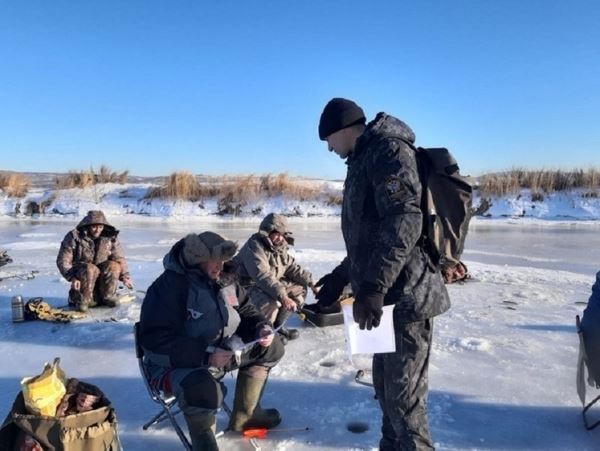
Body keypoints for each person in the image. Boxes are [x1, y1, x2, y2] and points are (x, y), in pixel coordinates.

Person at [316, 98, 451, 450]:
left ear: (344, 129)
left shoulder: (388, 152)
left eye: (328, 140)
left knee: (405, 406)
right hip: (383, 303)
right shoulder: (363, 158)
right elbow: (370, 236)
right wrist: (340, 277)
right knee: (387, 398)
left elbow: (405, 220)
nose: (329, 149)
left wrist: (374, 286)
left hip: (406, 299)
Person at [138, 231, 284, 451]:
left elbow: (246, 310)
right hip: (173, 364)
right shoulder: (169, 287)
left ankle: (247, 415)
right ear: (197, 260)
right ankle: (204, 445)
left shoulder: (225, 279)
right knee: (204, 389)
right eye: (214, 261)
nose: (220, 266)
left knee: (272, 347)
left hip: (221, 353)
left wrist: (260, 327)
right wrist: (205, 356)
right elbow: (154, 341)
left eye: (223, 260)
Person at [235, 213, 317, 343]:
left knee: (299, 289)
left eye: (282, 234)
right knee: (270, 303)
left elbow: (292, 268)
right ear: (267, 232)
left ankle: (279, 326)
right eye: (276, 233)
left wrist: (313, 283)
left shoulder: (279, 247)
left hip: (268, 284)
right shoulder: (254, 246)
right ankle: (265, 334)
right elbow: (262, 276)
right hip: (246, 286)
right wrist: (283, 297)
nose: (280, 237)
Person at [56, 210, 133, 312]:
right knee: (90, 268)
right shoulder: (74, 237)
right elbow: (63, 260)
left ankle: (107, 297)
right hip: (83, 277)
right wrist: (72, 277)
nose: (97, 230)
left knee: (113, 265)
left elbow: (119, 258)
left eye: (100, 227)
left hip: (102, 279)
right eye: (94, 227)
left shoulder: (110, 237)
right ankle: (82, 299)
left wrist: (125, 277)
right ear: (87, 225)